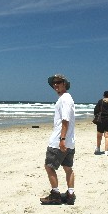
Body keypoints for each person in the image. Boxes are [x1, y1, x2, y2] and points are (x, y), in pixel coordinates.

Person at [40, 74, 76, 205]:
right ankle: (70, 194)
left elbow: (65, 120)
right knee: (68, 168)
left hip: (59, 141)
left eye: (59, 82)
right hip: (70, 142)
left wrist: (62, 139)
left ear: (64, 84)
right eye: (54, 83)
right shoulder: (66, 98)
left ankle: (55, 194)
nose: (56, 85)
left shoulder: (65, 99)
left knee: (49, 167)